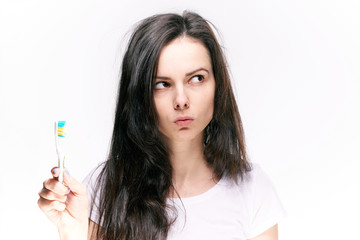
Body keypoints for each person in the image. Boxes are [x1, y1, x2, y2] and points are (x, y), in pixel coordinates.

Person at [38, 11, 286, 240]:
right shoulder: (106, 186)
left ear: (217, 85)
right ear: (139, 96)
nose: (181, 101)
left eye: (196, 78)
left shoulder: (252, 189)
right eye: (162, 84)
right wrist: (72, 232)